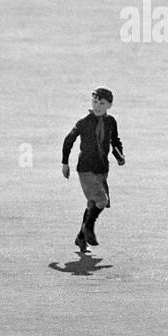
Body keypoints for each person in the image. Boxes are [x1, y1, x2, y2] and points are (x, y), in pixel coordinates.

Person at [61, 87, 125, 252]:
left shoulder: (111, 122)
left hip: (102, 169)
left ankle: (80, 238)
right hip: (86, 169)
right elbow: (69, 140)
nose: (97, 106)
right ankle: (88, 229)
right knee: (101, 201)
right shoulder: (84, 122)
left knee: (92, 204)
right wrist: (65, 163)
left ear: (109, 105)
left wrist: (119, 156)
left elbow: (115, 141)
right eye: (94, 102)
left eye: (101, 103)